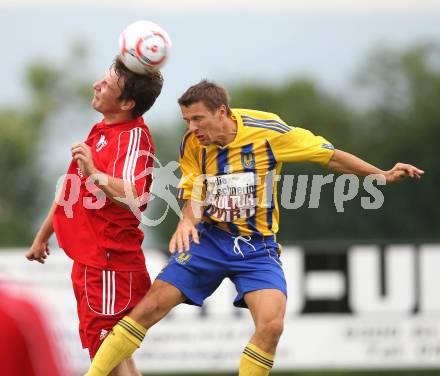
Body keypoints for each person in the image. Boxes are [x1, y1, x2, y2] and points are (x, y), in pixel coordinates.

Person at [86, 80, 424, 376]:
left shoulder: (268, 132)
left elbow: (330, 156)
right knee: (150, 308)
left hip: (256, 247)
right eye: (186, 120)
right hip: (209, 240)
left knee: (272, 325)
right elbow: (194, 190)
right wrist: (187, 219)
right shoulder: (193, 145)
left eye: (198, 119)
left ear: (222, 112)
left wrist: (381, 174)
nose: (192, 128)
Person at [25, 56, 163, 376]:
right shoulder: (102, 130)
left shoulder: (132, 137)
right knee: (119, 361)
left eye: (107, 84)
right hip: (92, 262)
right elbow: (71, 190)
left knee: (107, 360)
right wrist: (44, 235)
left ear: (127, 102)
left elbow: (135, 194)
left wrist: (95, 171)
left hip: (109, 263)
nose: (96, 85)